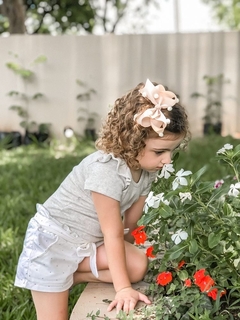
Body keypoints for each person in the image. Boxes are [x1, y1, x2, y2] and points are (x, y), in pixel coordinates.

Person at [15, 79, 190, 320]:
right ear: (132, 142)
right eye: (160, 152)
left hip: (86, 244)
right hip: (54, 243)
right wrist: (123, 288)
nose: (168, 161)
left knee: (137, 266)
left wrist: (128, 263)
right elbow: (113, 233)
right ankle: (52, 276)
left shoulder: (148, 170)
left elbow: (130, 223)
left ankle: (71, 275)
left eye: (172, 151)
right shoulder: (107, 171)